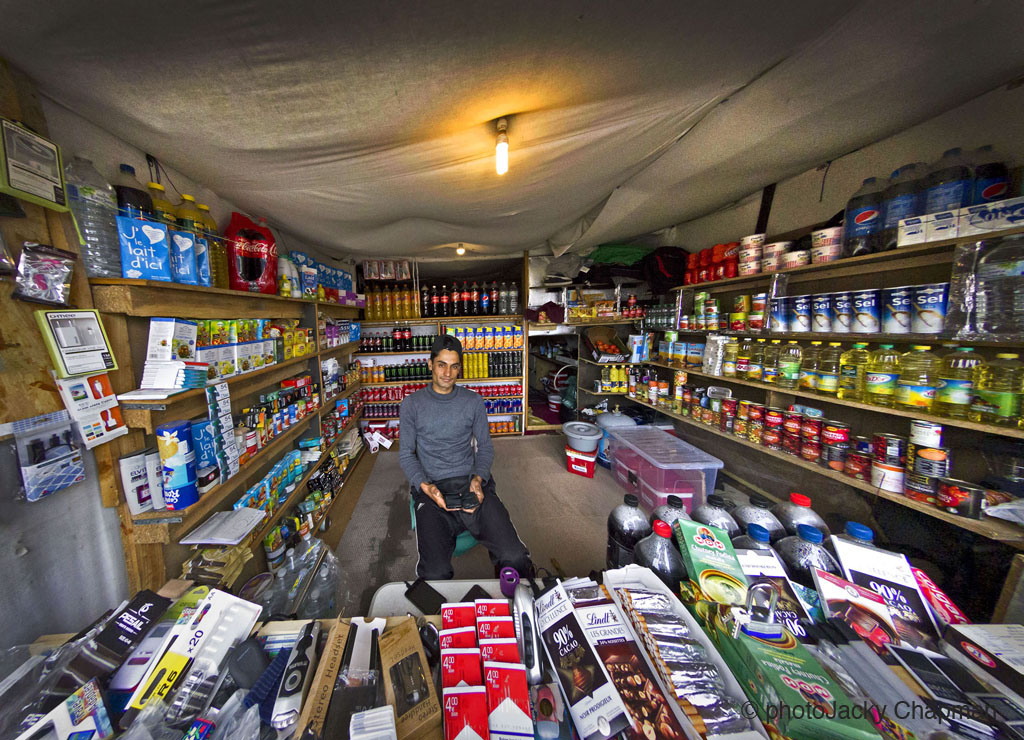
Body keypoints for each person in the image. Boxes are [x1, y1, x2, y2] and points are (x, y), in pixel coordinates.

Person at [399, 334, 533, 580]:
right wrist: (425, 486)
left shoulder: (473, 401)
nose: (447, 373)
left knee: (515, 557)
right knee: (434, 572)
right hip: (432, 489)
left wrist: (478, 479)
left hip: (471, 484)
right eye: (441, 364)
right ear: (430, 364)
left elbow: (485, 447)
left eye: (454, 366)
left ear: (460, 367)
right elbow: (406, 455)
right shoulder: (412, 404)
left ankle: (510, 594)